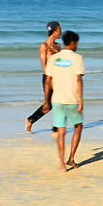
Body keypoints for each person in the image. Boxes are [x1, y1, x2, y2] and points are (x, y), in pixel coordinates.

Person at [43, 30, 84, 172]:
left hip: (57, 99)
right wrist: (81, 100)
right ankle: (71, 158)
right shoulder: (77, 58)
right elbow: (79, 80)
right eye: (77, 43)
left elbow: (48, 81)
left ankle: (61, 165)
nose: (77, 45)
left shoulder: (54, 58)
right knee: (78, 126)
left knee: (61, 131)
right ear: (73, 43)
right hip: (71, 99)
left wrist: (46, 101)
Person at [25, 21, 62, 134]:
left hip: (58, 77)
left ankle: (59, 128)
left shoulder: (58, 46)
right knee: (47, 106)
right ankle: (30, 119)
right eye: (60, 30)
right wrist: (51, 80)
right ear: (55, 31)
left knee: (59, 102)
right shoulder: (44, 46)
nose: (61, 33)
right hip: (48, 78)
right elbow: (44, 65)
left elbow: (60, 63)